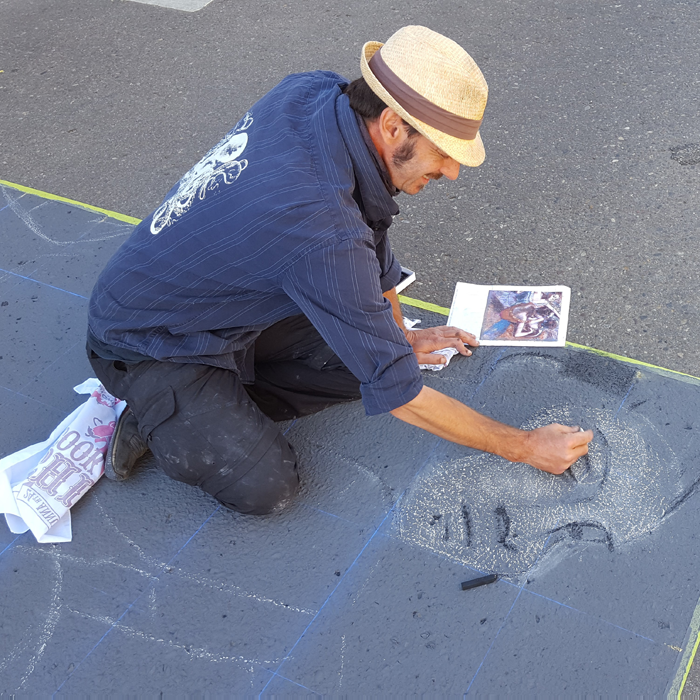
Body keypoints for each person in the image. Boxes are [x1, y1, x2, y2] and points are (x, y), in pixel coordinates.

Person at [87, 26, 593, 515]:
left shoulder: (316, 93)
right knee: (267, 487)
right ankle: (156, 416)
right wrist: (524, 447)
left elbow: (369, 233)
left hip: (223, 297)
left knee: (375, 361)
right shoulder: (318, 227)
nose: (453, 171)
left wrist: (399, 337)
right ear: (392, 125)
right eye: (444, 152)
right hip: (148, 341)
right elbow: (401, 397)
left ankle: (210, 406)